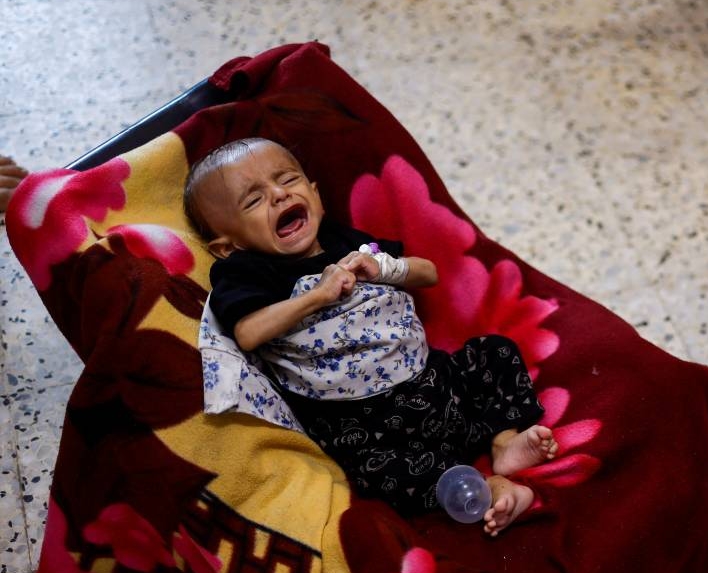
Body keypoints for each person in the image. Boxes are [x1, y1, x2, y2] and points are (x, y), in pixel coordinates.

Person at [184, 137, 557, 536]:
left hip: (437, 384)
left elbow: (428, 273)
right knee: (372, 478)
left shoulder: (344, 240)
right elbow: (249, 331)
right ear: (228, 246)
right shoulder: (246, 272)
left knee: (494, 351)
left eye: (288, 180)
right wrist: (316, 297)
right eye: (253, 200)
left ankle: (503, 443)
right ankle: (488, 489)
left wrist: (383, 269)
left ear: (315, 195)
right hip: (367, 427)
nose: (279, 195)